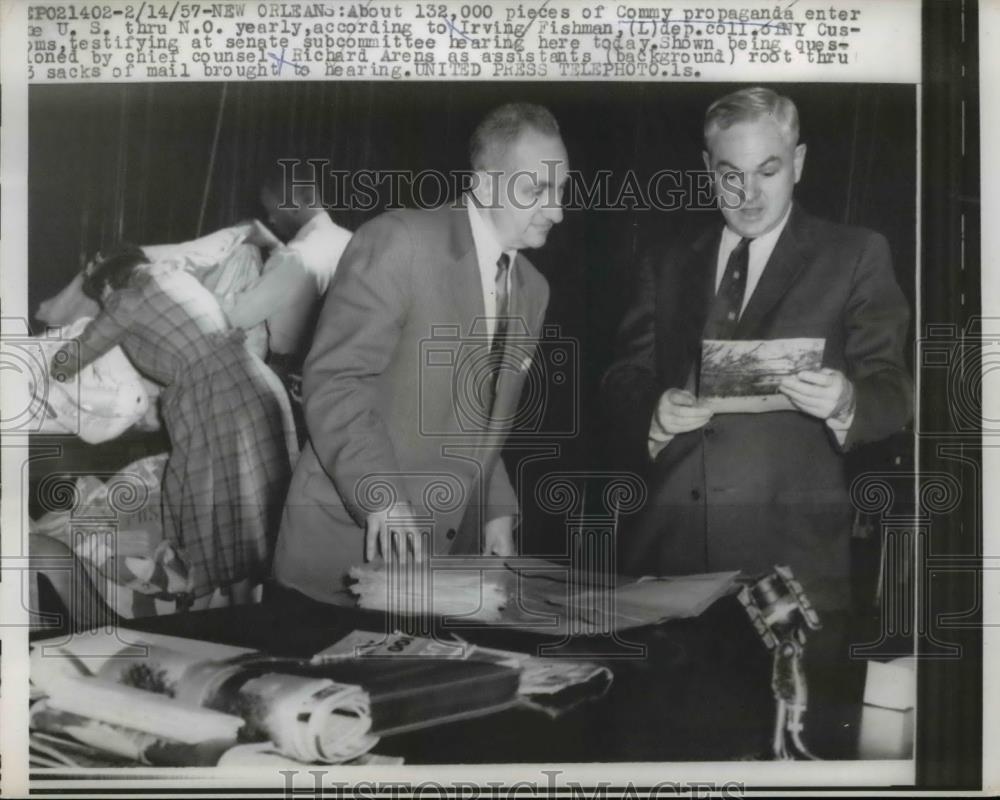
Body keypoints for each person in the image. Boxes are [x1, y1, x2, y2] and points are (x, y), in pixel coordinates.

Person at [602, 87, 912, 611]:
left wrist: (846, 401)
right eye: (731, 174)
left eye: (767, 172)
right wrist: (653, 409)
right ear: (707, 168)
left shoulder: (855, 254)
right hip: (664, 558)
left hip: (791, 566)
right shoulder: (667, 260)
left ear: (798, 162)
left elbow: (895, 392)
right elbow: (621, 379)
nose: (748, 194)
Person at [273, 103, 569, 605]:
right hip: (343, 552)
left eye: (561, 190)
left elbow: (481, 421)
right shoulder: (399, 241)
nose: (557, 211)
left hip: (447, 564)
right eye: (535, 191)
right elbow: (335, 382)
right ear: (484, 183)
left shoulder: (532, 287)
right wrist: (382, 499)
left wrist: (496, 509)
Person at [51, 244, 299, 606]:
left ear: (108, 286)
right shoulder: (176, 278)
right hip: (256, 383)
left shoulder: (126, 300)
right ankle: (249, 612)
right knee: (256, 511)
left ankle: (227, 619)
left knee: (215, 508)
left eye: (101, 298)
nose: (105, 305)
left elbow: (68, 361)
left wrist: (47, 356)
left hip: (217, 400)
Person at [222, 162, 353, 384]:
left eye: (272, 211)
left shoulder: (294, 258)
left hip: (289, 381)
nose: (271, 220)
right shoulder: (352, 240)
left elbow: (235, 317)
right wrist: (275, 246)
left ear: (296, 203)